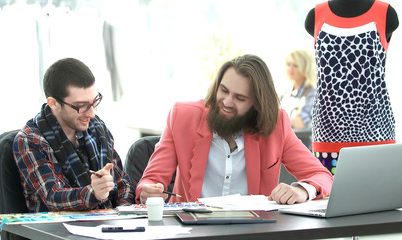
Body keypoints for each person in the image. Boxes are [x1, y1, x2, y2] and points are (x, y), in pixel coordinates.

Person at [136, 54, 333, 205]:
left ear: (257, 104)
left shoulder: (276, 124)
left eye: (240, 98)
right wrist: (148, 190)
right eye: (224, 90)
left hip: (252, 232)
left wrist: (303, 189)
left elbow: (322, 176)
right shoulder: (182, 116)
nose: (227, 102)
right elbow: (151, 180)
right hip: (191, 231)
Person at [13, 58, 135, 212]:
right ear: (53, 103)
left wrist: (124, 212)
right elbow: (52, 198)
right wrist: (94, 193)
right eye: (81, 106)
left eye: (94, 102)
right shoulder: (30, 140)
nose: (91, 114)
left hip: (108, 224)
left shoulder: (97, 128)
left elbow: (123, 182)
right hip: (57, 231)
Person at [305, 0, 399, 174]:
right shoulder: (316, 15)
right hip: (327, 132)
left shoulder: (385, 13)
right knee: (328, 199)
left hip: (376, 131)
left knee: (380, 198)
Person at [280, 49, 316, 130]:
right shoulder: (285, 93)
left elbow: (305, 123)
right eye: (288, 64)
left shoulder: (312, 93)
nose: (290, 69)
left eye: (296, 65)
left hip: (303, 141)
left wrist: (278, 120)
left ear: (305, 67)